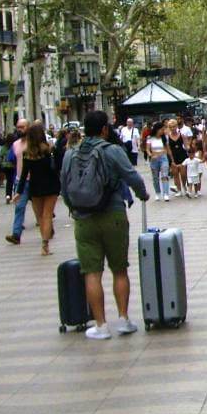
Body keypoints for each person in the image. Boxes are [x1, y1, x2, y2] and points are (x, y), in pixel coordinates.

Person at [61, 109, 149, 340]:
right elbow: (133, 177)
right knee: (119, 269)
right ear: (104, 129)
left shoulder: (70, 154)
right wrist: (143, 194)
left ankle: (100, 325)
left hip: (83, 220)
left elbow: (64, 187)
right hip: (113, 215)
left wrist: (76, 208)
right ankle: (123, 319)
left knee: (91, 273)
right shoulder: (112, 151)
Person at [14, 123, 61, 256]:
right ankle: (45, 244)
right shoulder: (50, 150)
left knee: (40, 217)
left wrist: (19, 191)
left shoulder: (27, 154)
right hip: (51, 186)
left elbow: (24, 175)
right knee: (47, 215)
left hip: (35, 187)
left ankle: (44, 241)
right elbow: (58, 167)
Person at [5, 118, 31, 245]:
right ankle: (16, 234)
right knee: (19, 207)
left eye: (22, 127)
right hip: (20, 181)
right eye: (18, 127)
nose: (20, 129)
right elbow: (11, 159)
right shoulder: (15, 145)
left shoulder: (34, 142)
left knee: (40, 210)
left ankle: (47, 231)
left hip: (36, 181)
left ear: (28, 128)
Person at [144, 122, 171, 201]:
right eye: (161, 129)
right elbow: (147, 149)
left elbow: (167, 148)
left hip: (163, 157)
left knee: (164, 175)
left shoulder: (164, 137)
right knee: (155, 177)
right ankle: (157, 193)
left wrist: (170, 158)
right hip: (154, 157)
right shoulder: (150, 138)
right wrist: (150, 155)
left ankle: (166, 193)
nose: (163, 131)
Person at [165, 118, 189, 197]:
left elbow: (186, 146)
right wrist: (171, 160)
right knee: (175, 174)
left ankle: (184, 186)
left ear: (176, 126)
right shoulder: (168, 137)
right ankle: (178, 190)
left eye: (174, 126)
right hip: (173, 156)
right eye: (171, 127)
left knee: (183, 174)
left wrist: (189, 150)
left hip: (182, 155)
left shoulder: (182, 135)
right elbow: (168, 150)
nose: (172, 128)